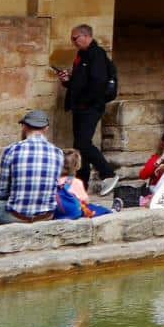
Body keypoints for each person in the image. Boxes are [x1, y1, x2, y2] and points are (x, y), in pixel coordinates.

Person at [57, 22, 119, 196]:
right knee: (79, 146)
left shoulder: (96, 54)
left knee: (84, 143)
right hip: (80, 106)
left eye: (75, 38)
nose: (73, 42)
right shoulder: (82, 55)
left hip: (90, 107)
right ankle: (81, 184)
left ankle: (108, 173)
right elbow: (80, 82)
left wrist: (87, 101)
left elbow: (98, 82)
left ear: (86, 36)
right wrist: (67, 80)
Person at [0, 109, 65, 225]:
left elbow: (2, 191)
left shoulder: (12, 150)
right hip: (46, 215)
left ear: (24, 126)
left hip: (17, 215)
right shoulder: (58, 153)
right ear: (46, 128)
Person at [55, 150, 111, 219]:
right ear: (77, 166)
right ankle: (112, 210)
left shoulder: (55, 180)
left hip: (57, 212)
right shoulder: (76, 182)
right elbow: (85, 200)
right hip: (74, 212)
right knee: (99, 209)